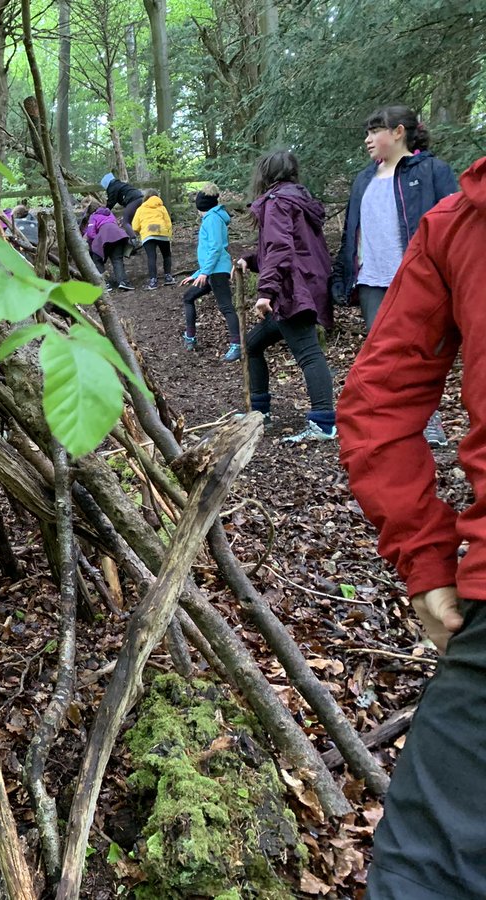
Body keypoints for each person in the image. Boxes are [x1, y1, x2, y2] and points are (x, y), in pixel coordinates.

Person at [338, 156, 485, 900]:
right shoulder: (452, 215)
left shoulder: (453, 207)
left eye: (377, 129)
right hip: (386, 283)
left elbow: (376, 403)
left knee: (427, 870)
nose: (368, 139)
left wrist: (426, 563)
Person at [331, 104, 460, 448]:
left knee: (419, 352)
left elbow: (455, 226)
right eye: (367, 133)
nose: (368, 140)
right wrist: (344, 278)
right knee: (383, 355)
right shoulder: (363, 179)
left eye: (375, 131)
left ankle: (428, 420)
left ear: (399, 132)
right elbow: (351, 234)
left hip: (418, 279)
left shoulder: (432, 170)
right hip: (372, 280)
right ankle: (393, 423)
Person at [235, 151, 336, 444]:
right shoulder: (297, 199)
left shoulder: (277, 202)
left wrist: (266, 292)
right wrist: (250, 260)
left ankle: (324, 422)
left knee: (308, 353)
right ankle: (260, 411)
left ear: (265, 175)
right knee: (252, 344)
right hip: (303, 286)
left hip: (293, 291)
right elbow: (286, 248)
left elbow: (281, 248)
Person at [181, 183, 240, 361]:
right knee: (188, 297)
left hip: (217, 271)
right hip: (210, 270)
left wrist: (204, 273)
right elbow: (209, 253)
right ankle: (190, 337)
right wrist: (195, 274)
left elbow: (216, 248)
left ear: (201, 206)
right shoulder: (211, 218)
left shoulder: (213, 219)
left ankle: (237, 345)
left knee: (226, 307)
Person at [84, 202, 134, 291]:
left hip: (104, 237)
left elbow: (90, 233)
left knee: (97, 260)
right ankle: (123, 282)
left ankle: (104, 284)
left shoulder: (93, 216)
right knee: (117, 259)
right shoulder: (109, 213)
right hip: (118, 236)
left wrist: (98, 240)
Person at [130, 189, 174, 289]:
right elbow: (168, 223)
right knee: (166, 255)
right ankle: (168, 277)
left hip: (148, 234)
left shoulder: (141, 209)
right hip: (162, 232)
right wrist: (169, 235)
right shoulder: (162, 207)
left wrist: (140, 231)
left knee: (151, 257)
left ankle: (153, 281)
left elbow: (135, 226)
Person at [99, 172, 146, 238]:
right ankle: (142, 236)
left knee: (125, 222)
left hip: (133, 200)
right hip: (141, 198)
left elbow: (111, 202)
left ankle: (134, 239)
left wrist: (104, 211)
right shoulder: (120, 184)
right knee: (136, 219)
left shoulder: (112, 187)